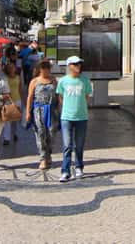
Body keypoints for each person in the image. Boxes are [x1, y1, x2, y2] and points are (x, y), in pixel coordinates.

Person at [57, 55, 93, 183]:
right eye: (75, 64)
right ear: (69, 66)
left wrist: (82, 108)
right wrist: (65, 109)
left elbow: (87, 96)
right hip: (66, 117)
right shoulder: (63, 81)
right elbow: (60, 97)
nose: (78, 66)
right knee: (67, 145)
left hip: (82, 117)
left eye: (79, 64)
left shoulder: (85, 80)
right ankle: (65, 171)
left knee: (79, 144)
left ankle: (79, 167)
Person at [24, 60, 59, 170]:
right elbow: (30, 96)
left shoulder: (53, 80)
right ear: (39, 69)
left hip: (52, 110)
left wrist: (59, 108)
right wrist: (28, 112)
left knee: (51, 133)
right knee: (40, 133)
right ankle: (43, 158)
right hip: (39, 110)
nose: (46, 70)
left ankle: (49, 153)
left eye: (48, 68)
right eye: (43, 68)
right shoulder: (34, 81)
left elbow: (58, 95)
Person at [2, 61, 23, 146]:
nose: (12, 69)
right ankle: (6, 138)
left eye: (13, 67)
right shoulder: (5, 78)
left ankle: (15, 133)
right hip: (8, 101)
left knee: (16, 119)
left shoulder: (18, 77)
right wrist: (11, 101)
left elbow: (20, 89)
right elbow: (6, 91)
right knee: (7, 120)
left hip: (18, 99)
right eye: (10, 68)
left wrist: (23, 99)